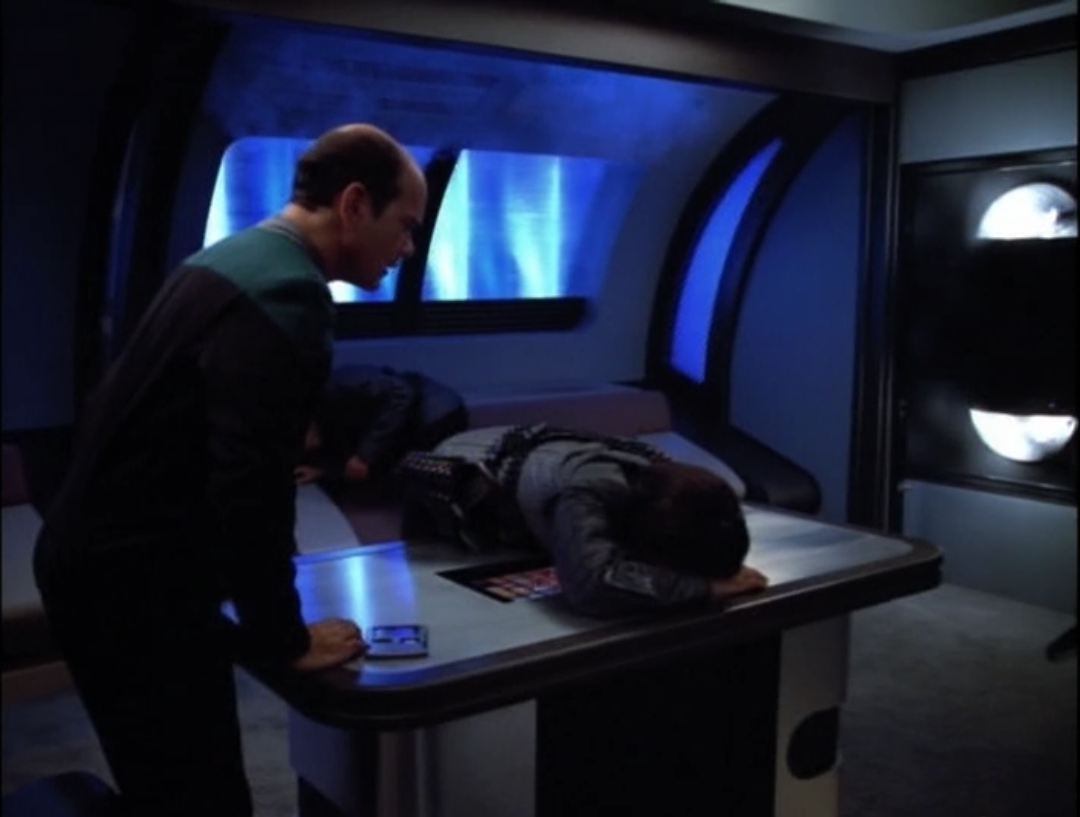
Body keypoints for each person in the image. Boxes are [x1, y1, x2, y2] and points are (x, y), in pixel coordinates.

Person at [32, 123, 428, 817]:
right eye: (406, 224)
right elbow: (251, 485)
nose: (409, 247)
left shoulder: (230, 258)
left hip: (95, 564)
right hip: (134, 589)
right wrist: (284, 637)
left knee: (164, 786)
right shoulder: (290, 294)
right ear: (354, 204)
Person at [399, 424, 768, 617]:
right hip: (454, 479)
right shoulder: (588, 490)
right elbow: (590, 586)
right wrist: (704, 588)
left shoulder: (667, 484)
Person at [294, 364, 467, 494]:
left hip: (437, 414)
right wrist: (325, 471)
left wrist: (364, 456)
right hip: (414, 417)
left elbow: (401, 392)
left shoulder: (336, 387)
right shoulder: (324, 422)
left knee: (395, 480)